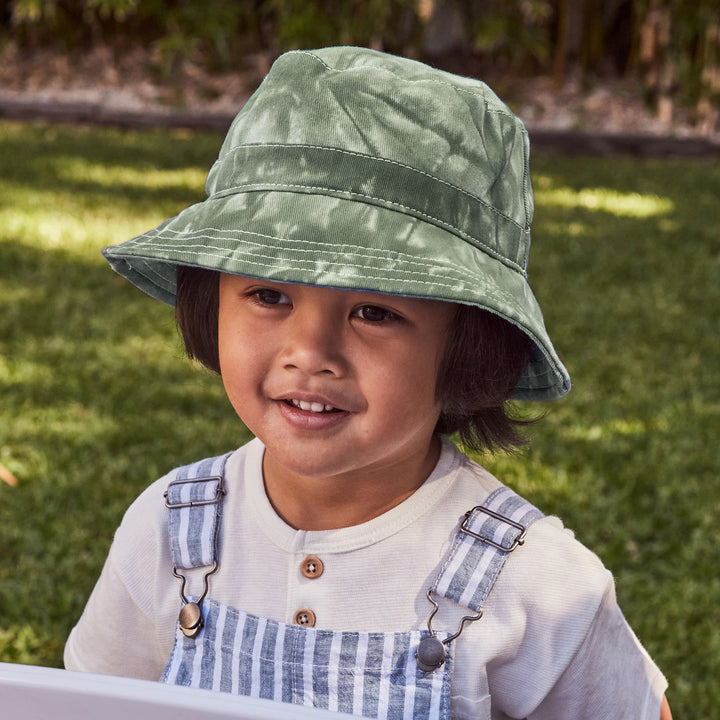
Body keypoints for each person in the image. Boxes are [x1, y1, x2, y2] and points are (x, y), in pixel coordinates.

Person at [64, 47, 671, 720]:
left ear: (467, 349)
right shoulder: (170, 530)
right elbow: (88, 704)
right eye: (269, 295)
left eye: (374, 313)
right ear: (210, 303)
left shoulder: (536, 583)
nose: (310, 351)